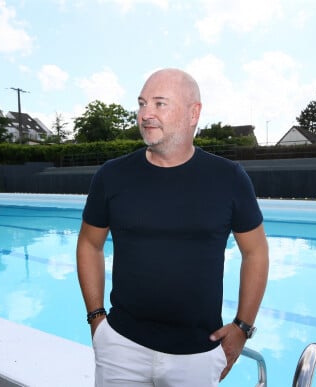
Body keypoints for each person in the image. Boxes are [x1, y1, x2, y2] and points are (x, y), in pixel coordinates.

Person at [76, 68, 269, 386]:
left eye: (159, 103)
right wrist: (97, 318)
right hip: (121, 349)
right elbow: (89, 243)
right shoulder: (112, 176)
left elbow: (256, 251)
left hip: (196, 354)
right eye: (141, 103)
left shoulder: (228, 179)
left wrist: (243, 327)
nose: (145, 114)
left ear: (194, 113)